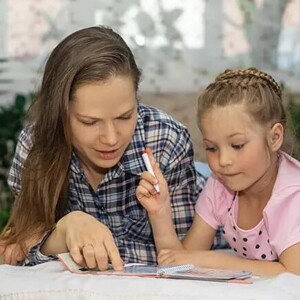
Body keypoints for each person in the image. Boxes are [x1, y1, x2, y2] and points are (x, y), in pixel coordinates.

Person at [0, 26, 206, 270]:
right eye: (90, 122)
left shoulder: (165, 139)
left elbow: (184, 256)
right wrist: (66, 229)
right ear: (60, 115)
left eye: (124, 117)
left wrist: (65, 244)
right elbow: (17, 251)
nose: (110, 139)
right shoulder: (35, 146)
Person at [136, 68, 300, 276]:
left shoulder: (292, 195)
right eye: (211, 148)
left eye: (237, 145)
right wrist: (159, 212)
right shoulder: (220, 185)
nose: (223, 161)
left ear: (274, 137)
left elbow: (294, 274)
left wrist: (211, 260)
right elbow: (180, 262)